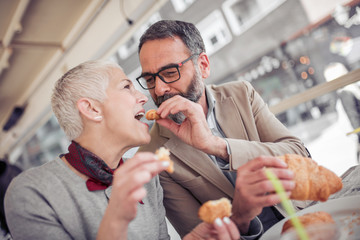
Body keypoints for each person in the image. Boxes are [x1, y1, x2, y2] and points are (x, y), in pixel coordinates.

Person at [4, 60, 240, 240]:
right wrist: (117, 216)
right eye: (127, 86)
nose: (143, 97)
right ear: (92, 109)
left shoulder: (147, 179)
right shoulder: (31, 192)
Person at [136, 20, 310, 238]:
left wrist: (218, 146)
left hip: (306, 219)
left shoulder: (241, 94)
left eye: (170, 72)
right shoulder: (154, 156)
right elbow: (200, 236)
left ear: (203, 65)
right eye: (150, 79)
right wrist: (241, 216)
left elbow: (301, 157)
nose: (159, 89)